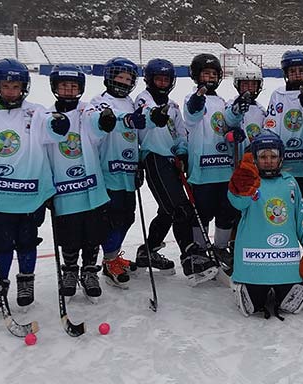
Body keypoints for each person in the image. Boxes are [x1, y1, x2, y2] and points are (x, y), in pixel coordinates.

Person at [0, 58, 57, 312]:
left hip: (31, 194)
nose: (11, 91)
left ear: (24, 87)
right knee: (2, 243)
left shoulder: (37, 112)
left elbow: (54, 131)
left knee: (28, 241)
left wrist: (59, 124)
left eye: (16, 86)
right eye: (6, 86)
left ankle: (26, 281)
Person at [134, 58, 219, 285]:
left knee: (167, 210)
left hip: (171, 160)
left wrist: (182, 151)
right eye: (158, 79)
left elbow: (180, 132)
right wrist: (154, 118)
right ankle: (190, 256)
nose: (162, 83)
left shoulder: (172, 105)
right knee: (181, 209)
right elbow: (145, 117)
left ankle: (148, 251)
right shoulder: (144, 99)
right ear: (149, 80)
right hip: (154, 158)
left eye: (166, 79)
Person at [45, 64, 120, 303]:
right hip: (64, 189)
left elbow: (97, 123)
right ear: (55, 87)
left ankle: (89, 271)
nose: (68, 90)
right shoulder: (46, 116)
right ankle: (69, 271)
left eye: (73, 85)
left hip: (91, 187)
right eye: (64, 85)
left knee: (93, 233)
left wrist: (105, 121)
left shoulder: (87, 110)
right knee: (69, 234)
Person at [227, 131, 303, 318]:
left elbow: (302, 217)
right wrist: (237, 189)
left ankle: (286, 284)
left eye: (273, 156)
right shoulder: (248, 182)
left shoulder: (290, 183)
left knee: (290, 304)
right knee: (252, 305)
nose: (268, 161)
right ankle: (248, 285)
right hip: (253, 263)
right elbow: (237, 203)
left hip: (285, 262)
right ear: (254, 158)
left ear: (281, 157)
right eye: (263, 156)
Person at [90, 57, 150, 288]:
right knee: (112, 217)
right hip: (108, 170)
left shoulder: (133, 103)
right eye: (120, 77)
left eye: (128, 79)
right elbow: (100, 126)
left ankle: (113, 256)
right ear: (109, 77)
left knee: (128, 216)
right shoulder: (99, 102)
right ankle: (108, 261)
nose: (123, 82)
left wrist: (139, 163)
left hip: (128, 170)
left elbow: (136, 135)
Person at [183, 53, 242, 276]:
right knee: (202, 212)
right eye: (205, 73)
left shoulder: (223, 102)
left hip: (224, 169)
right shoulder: (192, 99)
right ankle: (199, 249)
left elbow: (230, 122)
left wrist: (234, 130)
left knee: (226, 212)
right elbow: (191, 117)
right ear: (196, 76)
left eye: (213, 74)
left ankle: (220, 247)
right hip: (202, 171)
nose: (209, 77)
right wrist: (199, 98)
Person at [264, 50, 303, 232]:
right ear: (286, 74)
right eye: (292, 71)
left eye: (300, 70)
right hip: (284, 164)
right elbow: (270, 124)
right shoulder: (277, 95)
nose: (297, 74)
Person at [225, 61, 267, 157]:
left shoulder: (261, 111)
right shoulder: (231, 105)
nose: (249, 89)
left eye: (253, 84)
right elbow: (229, 121)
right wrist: (236, 110)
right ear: (237, 84)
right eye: (245, 84)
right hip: (235, 160)